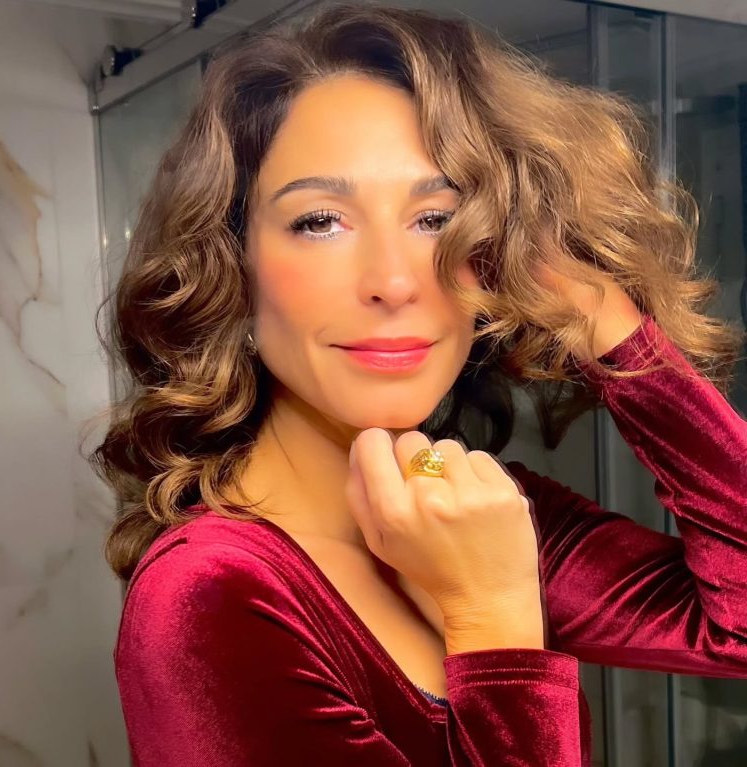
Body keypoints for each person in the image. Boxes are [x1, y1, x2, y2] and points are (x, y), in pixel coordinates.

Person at [88, 2, 747, 765]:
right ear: (232, 266)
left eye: (437, 218)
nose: (395, 281)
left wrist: (607, 319)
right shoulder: (211, 595)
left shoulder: (478, 517)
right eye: (320, 220)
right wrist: (492, 615)